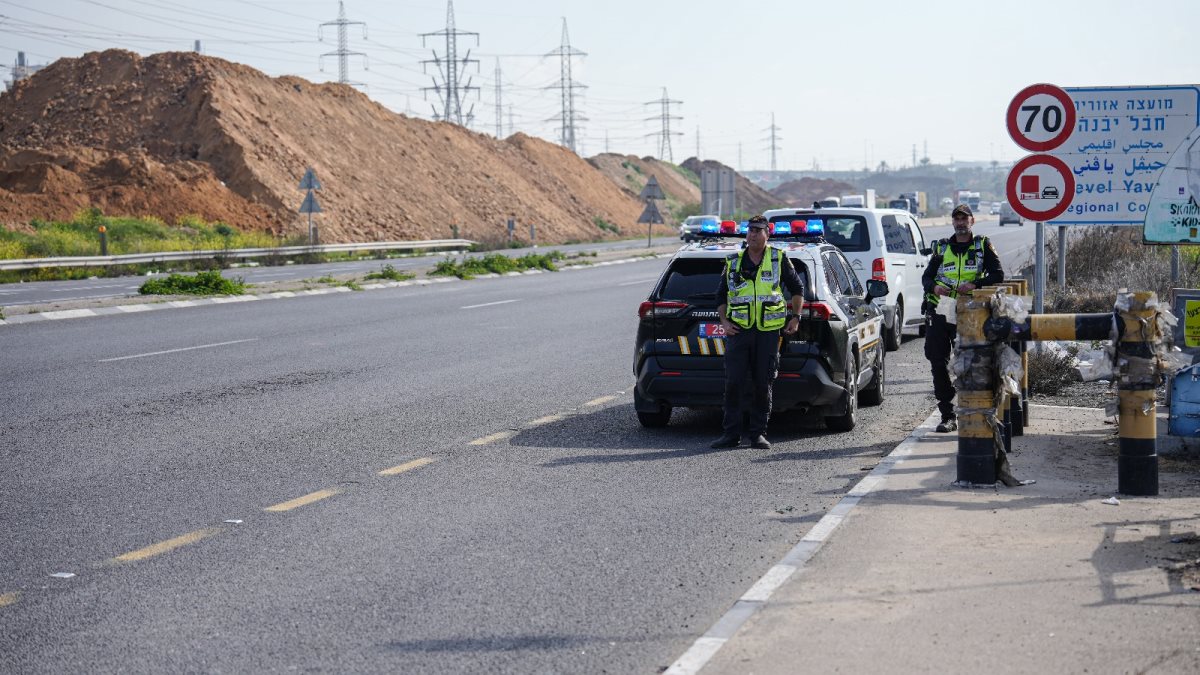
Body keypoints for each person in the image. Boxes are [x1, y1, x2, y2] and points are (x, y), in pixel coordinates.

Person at [711, 215, 805, 449]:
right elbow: (720, 296)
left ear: (767, 234)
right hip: (739, 332)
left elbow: (797, 288)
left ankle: (758, 434)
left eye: (757, 230)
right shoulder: (733, 262)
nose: (752, 234)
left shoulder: (778, 259)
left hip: (768, 332)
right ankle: (730, 434)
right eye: (750, 230)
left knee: (763, 384)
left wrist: (796, 317)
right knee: (733, 383)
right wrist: (724, 321)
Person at [922, 204, 1004, 433]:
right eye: (956, 219)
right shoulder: (941, 248)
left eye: (964, 219)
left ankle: (976, 411)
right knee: (938, 362)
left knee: (971, 363)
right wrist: (936, 287)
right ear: (953, 222)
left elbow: (998, 275)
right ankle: (947, 415)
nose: (960, 222)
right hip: (940, 313)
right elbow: (926, 278)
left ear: (972, 221)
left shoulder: (981, 246)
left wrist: (976, 285)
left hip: (970, 313)